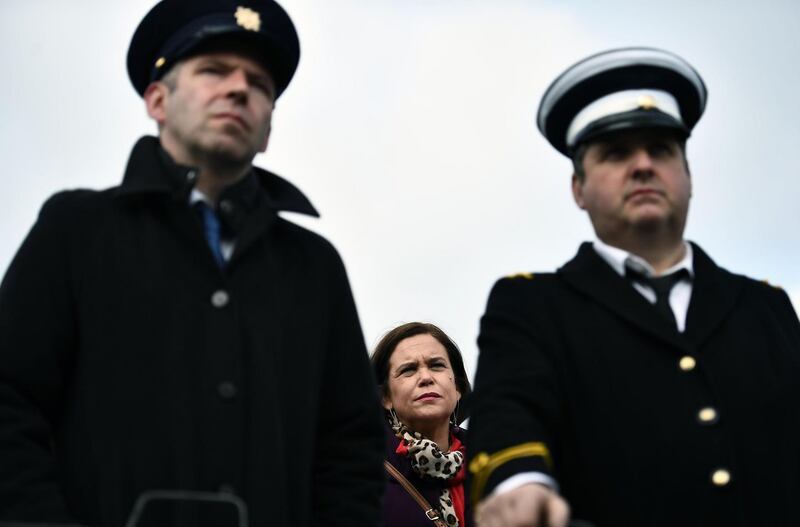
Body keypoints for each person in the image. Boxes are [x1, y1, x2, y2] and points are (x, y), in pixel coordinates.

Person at [0, 1, 385, 525]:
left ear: (268, 129)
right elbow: (10, 400)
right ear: (157, 100)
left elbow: (350, 448)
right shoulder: (76, 229)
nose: (238, 89)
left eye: (259, 84)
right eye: (213, 71)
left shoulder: (314, 267)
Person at [467, 47, 800, 527]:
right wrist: (522, 485)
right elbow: (510, 409)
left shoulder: (765, 306)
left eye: (662, 150)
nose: (643, 166)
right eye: (616, 153)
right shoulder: (532, 306)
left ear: (688, 176)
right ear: (577, 189)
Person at [371, 322, 472, 527]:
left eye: (437, 365)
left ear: (458, 388)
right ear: (385, 397)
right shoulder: (364, 472)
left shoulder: (493, 465)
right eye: (408, 370)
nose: (426, 377)